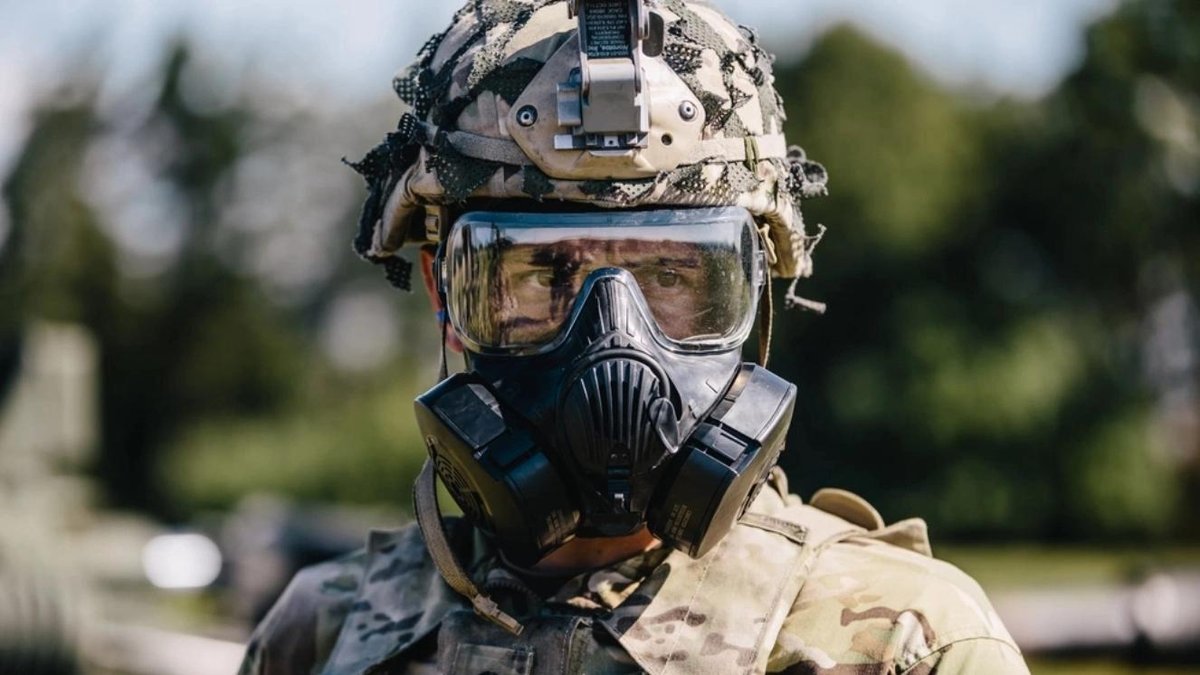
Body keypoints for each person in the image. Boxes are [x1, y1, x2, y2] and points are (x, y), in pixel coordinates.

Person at [241, 1, 1031, 673]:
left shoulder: (903, 644)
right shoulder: (326, 636)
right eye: (541, 271)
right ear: (445, 292)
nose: (613, 348)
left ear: (753, 292)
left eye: (671, 275)